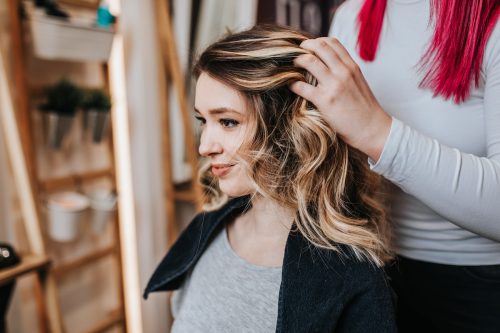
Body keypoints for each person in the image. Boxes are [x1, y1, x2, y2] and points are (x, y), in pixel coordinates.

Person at [144, 25, 396, 332]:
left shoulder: (353, 279)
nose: (205, 146)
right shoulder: (206, 231)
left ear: (289, 127)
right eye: (203, 120)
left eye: (227, 121)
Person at [290, 0, 500, 332]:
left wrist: (378, 133)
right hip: (371, 271)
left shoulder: (493, 23)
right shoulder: (351, 16)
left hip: (480, 289)